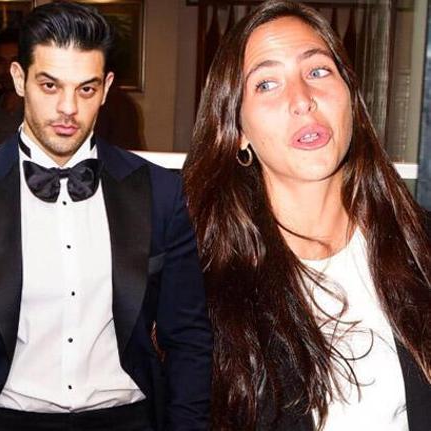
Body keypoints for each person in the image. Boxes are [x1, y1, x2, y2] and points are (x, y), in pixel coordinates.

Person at [0, 2, 212, 431]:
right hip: (3, 421)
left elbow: (188, 336)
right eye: (50, 85)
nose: (68, 108)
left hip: (129, 418)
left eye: (86, 89)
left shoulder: (160, 193)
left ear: (106, 87)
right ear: (19, 78)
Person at [182, 1, 431, 430]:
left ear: (351, 98)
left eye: (317, 71)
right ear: (237, 131)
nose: (302, 100)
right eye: (266, 84)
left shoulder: (420, 245)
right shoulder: (204, 285)